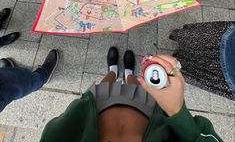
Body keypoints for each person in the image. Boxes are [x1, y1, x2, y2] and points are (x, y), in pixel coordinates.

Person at [40, 47, 223, 141]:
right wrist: (176, 111)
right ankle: (128, 73)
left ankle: (113, 70)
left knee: (105, 84)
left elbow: (53, 131)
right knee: (137, 87)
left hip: (96, 108)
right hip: (146, 112)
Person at [170, 21, 235, 100]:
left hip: (227, 38)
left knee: (200, 38)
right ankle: (172, 67)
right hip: (227, 76)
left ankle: (178, 36)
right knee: (191, 70)